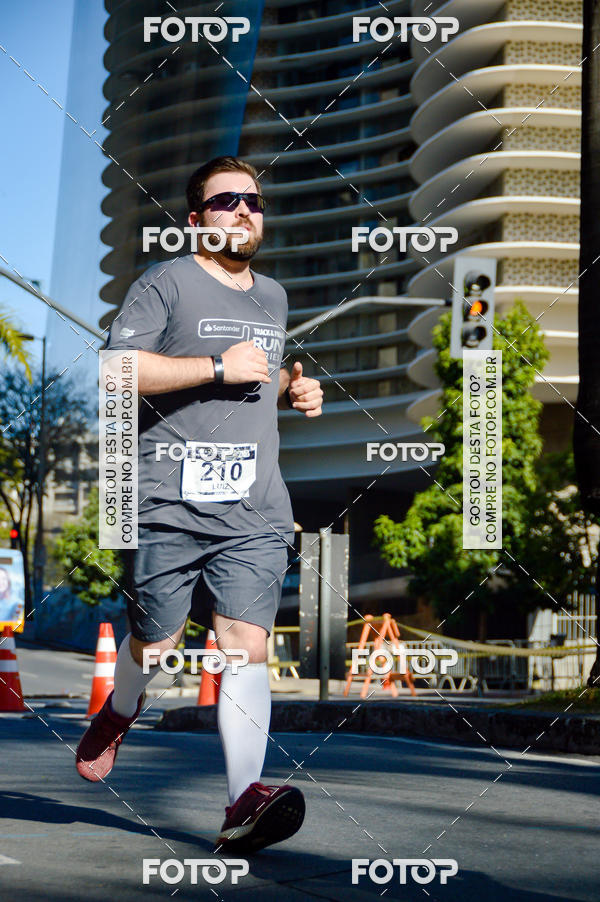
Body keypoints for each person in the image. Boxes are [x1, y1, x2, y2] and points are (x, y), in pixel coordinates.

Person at [75, 156, 323, 853]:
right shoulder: (166, 283)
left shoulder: (272, 297)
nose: (244, 211)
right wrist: (216, 366)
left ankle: (243, 799)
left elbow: (260, 375)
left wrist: (291, 390)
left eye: (254, 201)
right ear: (195, 221)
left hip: (255, 507)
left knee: (245, 645)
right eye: (226, 202)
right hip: (167, 501)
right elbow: (114, 371)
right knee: (155, 644)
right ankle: (121, 708)